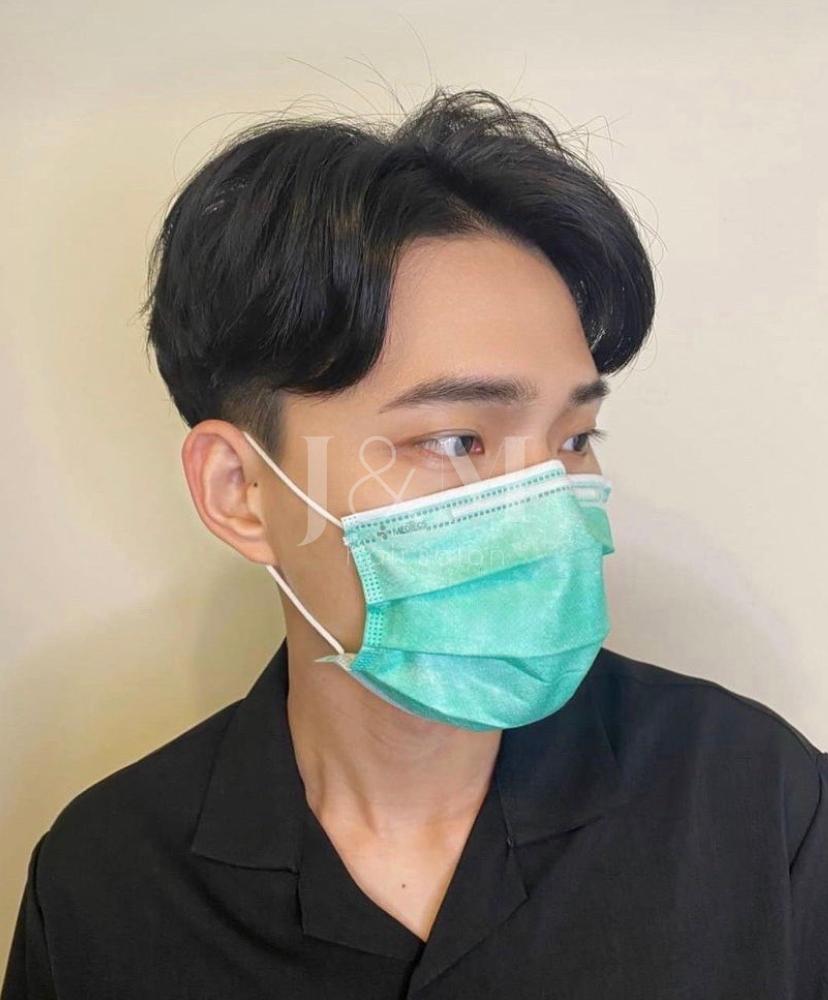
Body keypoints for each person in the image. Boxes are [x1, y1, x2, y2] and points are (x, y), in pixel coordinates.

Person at [3, 86, 826, 999]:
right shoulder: (104, 887)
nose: (550, 509)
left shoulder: (759, 803)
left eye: (574, 438)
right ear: (241, 492)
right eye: (456, 439)